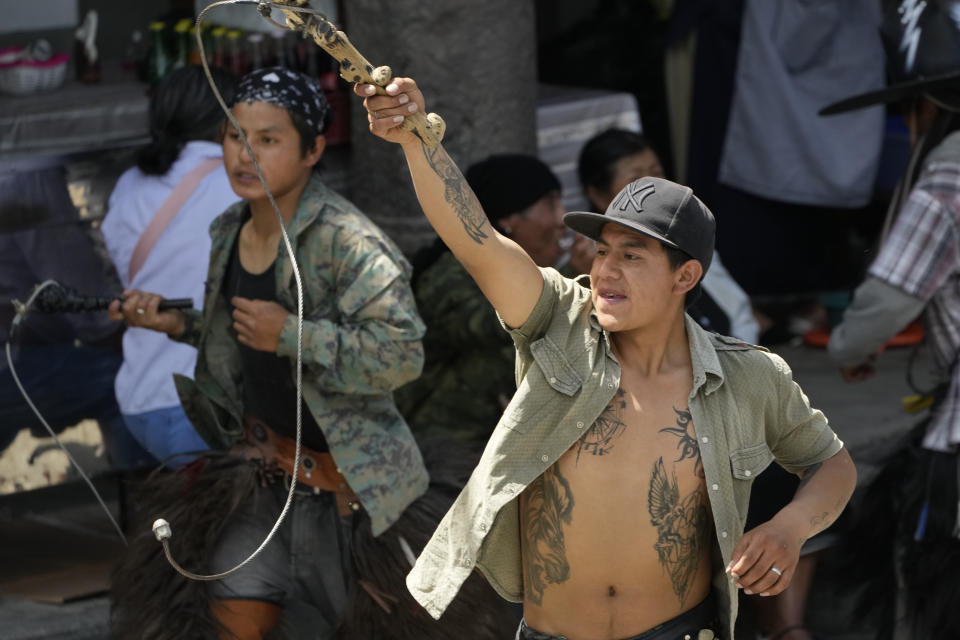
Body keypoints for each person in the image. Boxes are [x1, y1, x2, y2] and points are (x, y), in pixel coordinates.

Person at [356, 77, 857, 640]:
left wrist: (789, 527)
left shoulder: (747, 376)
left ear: (685, 276)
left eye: (632, 254)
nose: (606, 270)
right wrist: (418, 143)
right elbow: (478, 243)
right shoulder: (559, 322)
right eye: (602, 250)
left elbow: (831, 465)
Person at [107, 67, 436, 640]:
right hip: (260, 479)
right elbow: (241, 335)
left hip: (350, 497)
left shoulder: (348, 241)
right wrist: (176, 323)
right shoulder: (229, 229)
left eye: (268, 139)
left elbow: (402, 354)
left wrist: (293, 334)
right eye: (236, 136)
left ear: (312, 150)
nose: (244, 155)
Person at [824, 1, 960, 636]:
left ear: (928, 104)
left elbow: (888, 298)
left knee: (928, 585)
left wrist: (850, 346)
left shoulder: (950, 172)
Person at [101, 65, 240, 465]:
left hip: (138, 398)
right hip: (201, 404)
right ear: (227, 117)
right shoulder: (238, 183)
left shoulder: (129, 183)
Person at [396, 154, 567, 447]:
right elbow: (500, 324)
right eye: (550, 204)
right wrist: (573, 276)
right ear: (508, 219)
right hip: (442, 442)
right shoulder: (450, 272)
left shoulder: (531, 272)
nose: (562, 217)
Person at [0, 160, 150, 469]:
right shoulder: (26, 171)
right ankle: (145, 502)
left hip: (19, 356)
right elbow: (89, 312)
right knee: (130, 380)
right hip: (8, 370)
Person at [574, 128, 760, 344]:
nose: (653, 188)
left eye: (656, 172)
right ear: (597, 195)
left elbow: (740, 317)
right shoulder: (585, 268)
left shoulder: (687, 239)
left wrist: (738, 360)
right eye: (635, 180)